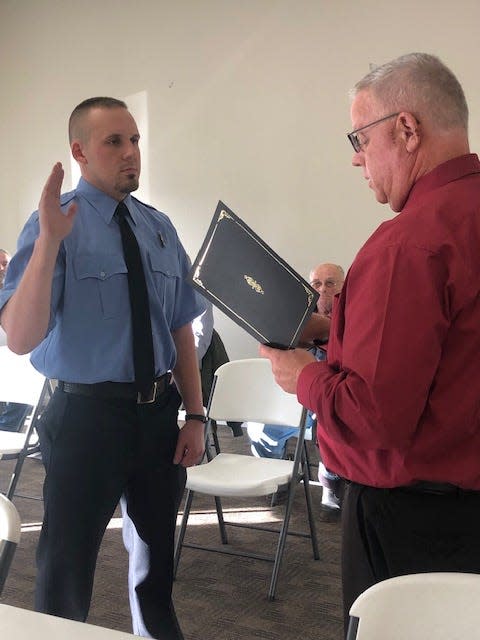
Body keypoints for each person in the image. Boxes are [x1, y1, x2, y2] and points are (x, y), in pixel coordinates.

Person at [259, 52, 480, 634]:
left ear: (406, 130)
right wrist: (336, 332)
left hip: (415, 521)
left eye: (359, 137)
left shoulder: (408, 244)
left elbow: (377, 416)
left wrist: (302, 375)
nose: (355, 157)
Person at [0, 97, 207, 640]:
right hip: (84, 418)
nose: (130, 153)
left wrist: (195, 413)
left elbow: (180, 325)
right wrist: (48, 243)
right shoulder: (53, 224)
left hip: (158, 416)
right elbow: (19, 338)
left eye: (134, 140)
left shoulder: (158, 227)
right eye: (114, 142)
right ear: (80, 152)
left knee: (155, 567)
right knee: (66, 570)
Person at [247, 263, 345, 509]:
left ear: (343, 287)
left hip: (329, 395)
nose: (323, 289)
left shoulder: (355, 316)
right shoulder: (294, 314)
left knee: (333, 427)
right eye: (317, 283)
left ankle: (331, 484)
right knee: (260, 428)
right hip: (292, 396)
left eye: (330, 283)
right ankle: (280, 476)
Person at [0, 247, 33, 431]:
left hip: (19, 365)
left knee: (26, 372)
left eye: (5, 263)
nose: (1, 268)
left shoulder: (21, 297)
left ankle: (7, 429)